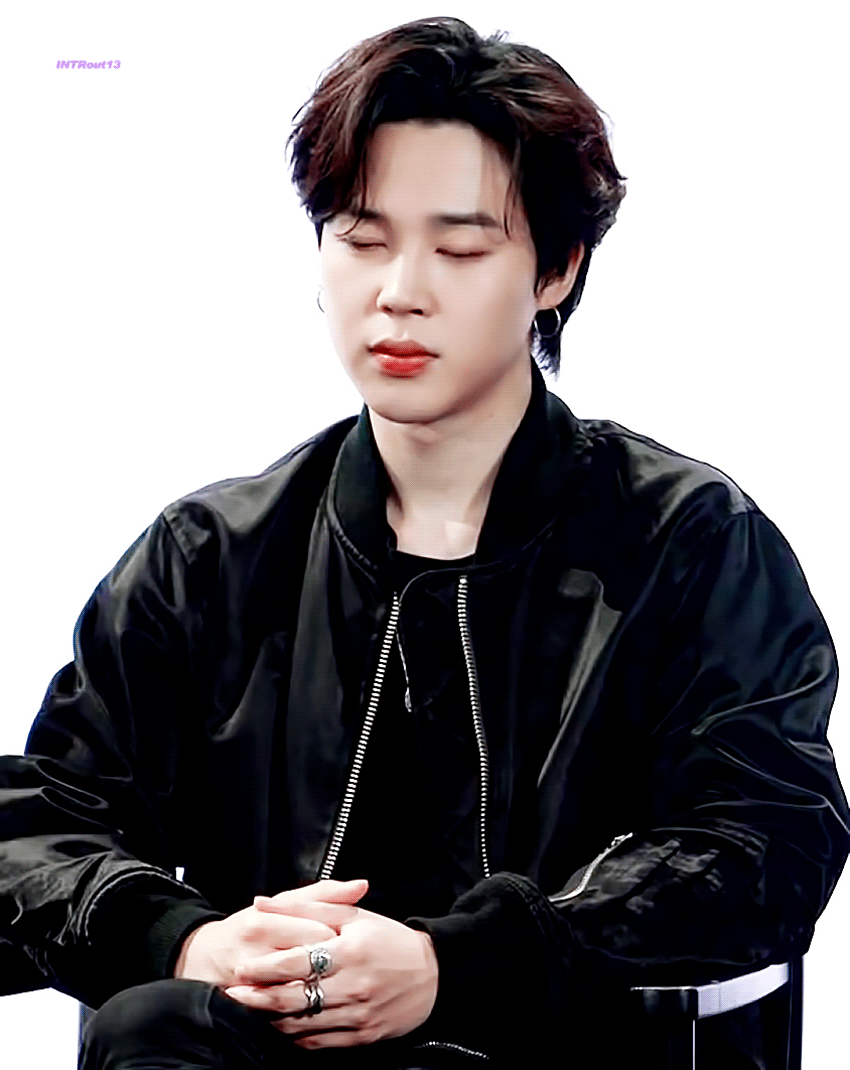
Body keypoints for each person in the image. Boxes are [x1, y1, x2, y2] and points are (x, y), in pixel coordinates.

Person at [0, 15, 848, 1069]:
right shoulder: (209, 557)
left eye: (459, 248)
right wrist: (186, 940)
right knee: (156, 1028)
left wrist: (462, 962)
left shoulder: (689, 542)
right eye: (362, 239)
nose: (399, 290)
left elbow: (763, 839)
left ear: (556, 269)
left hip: (567, 1051)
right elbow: (33, 825)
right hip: (267, 1051)